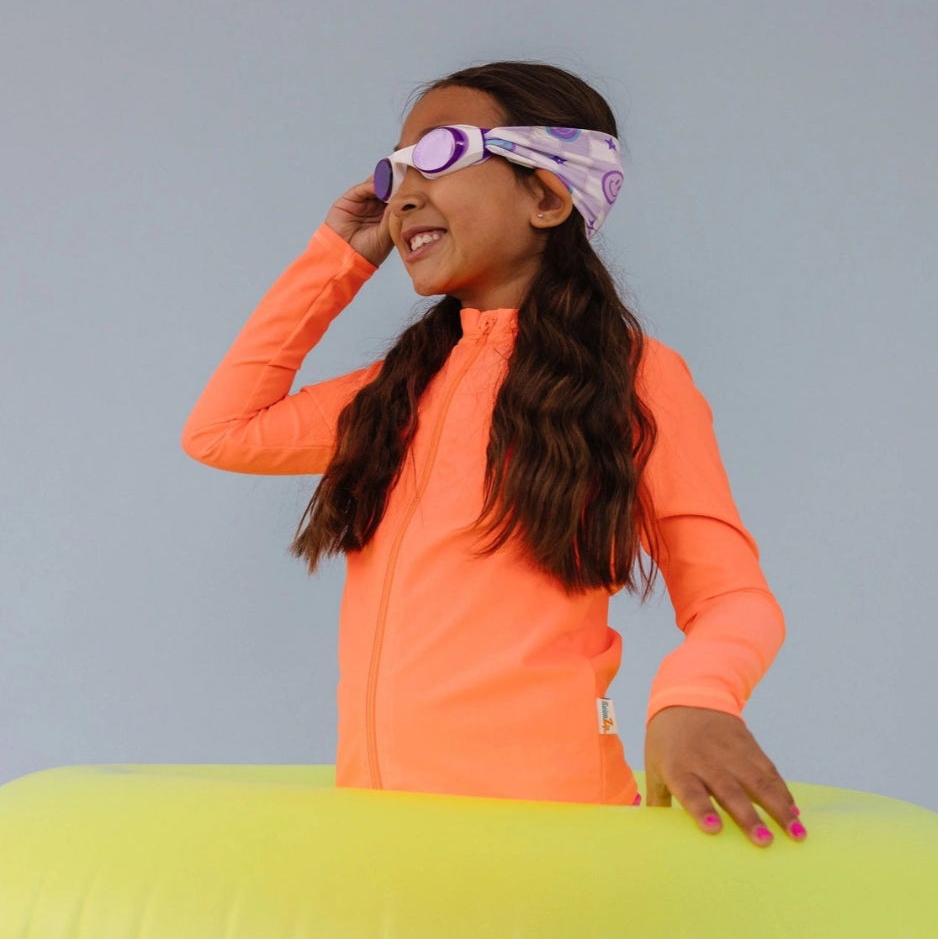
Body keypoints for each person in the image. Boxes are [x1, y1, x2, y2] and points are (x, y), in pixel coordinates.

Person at [182, 60, 807, 848]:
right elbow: (222, 430)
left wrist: (694, 697)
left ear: (546, 195)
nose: (403, 190)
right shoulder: (393, 393)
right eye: (396, 167)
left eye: (439, 154)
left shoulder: (636, 377)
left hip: (550, 844)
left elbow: (734, 599)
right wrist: (338, 257)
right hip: (384, 840)